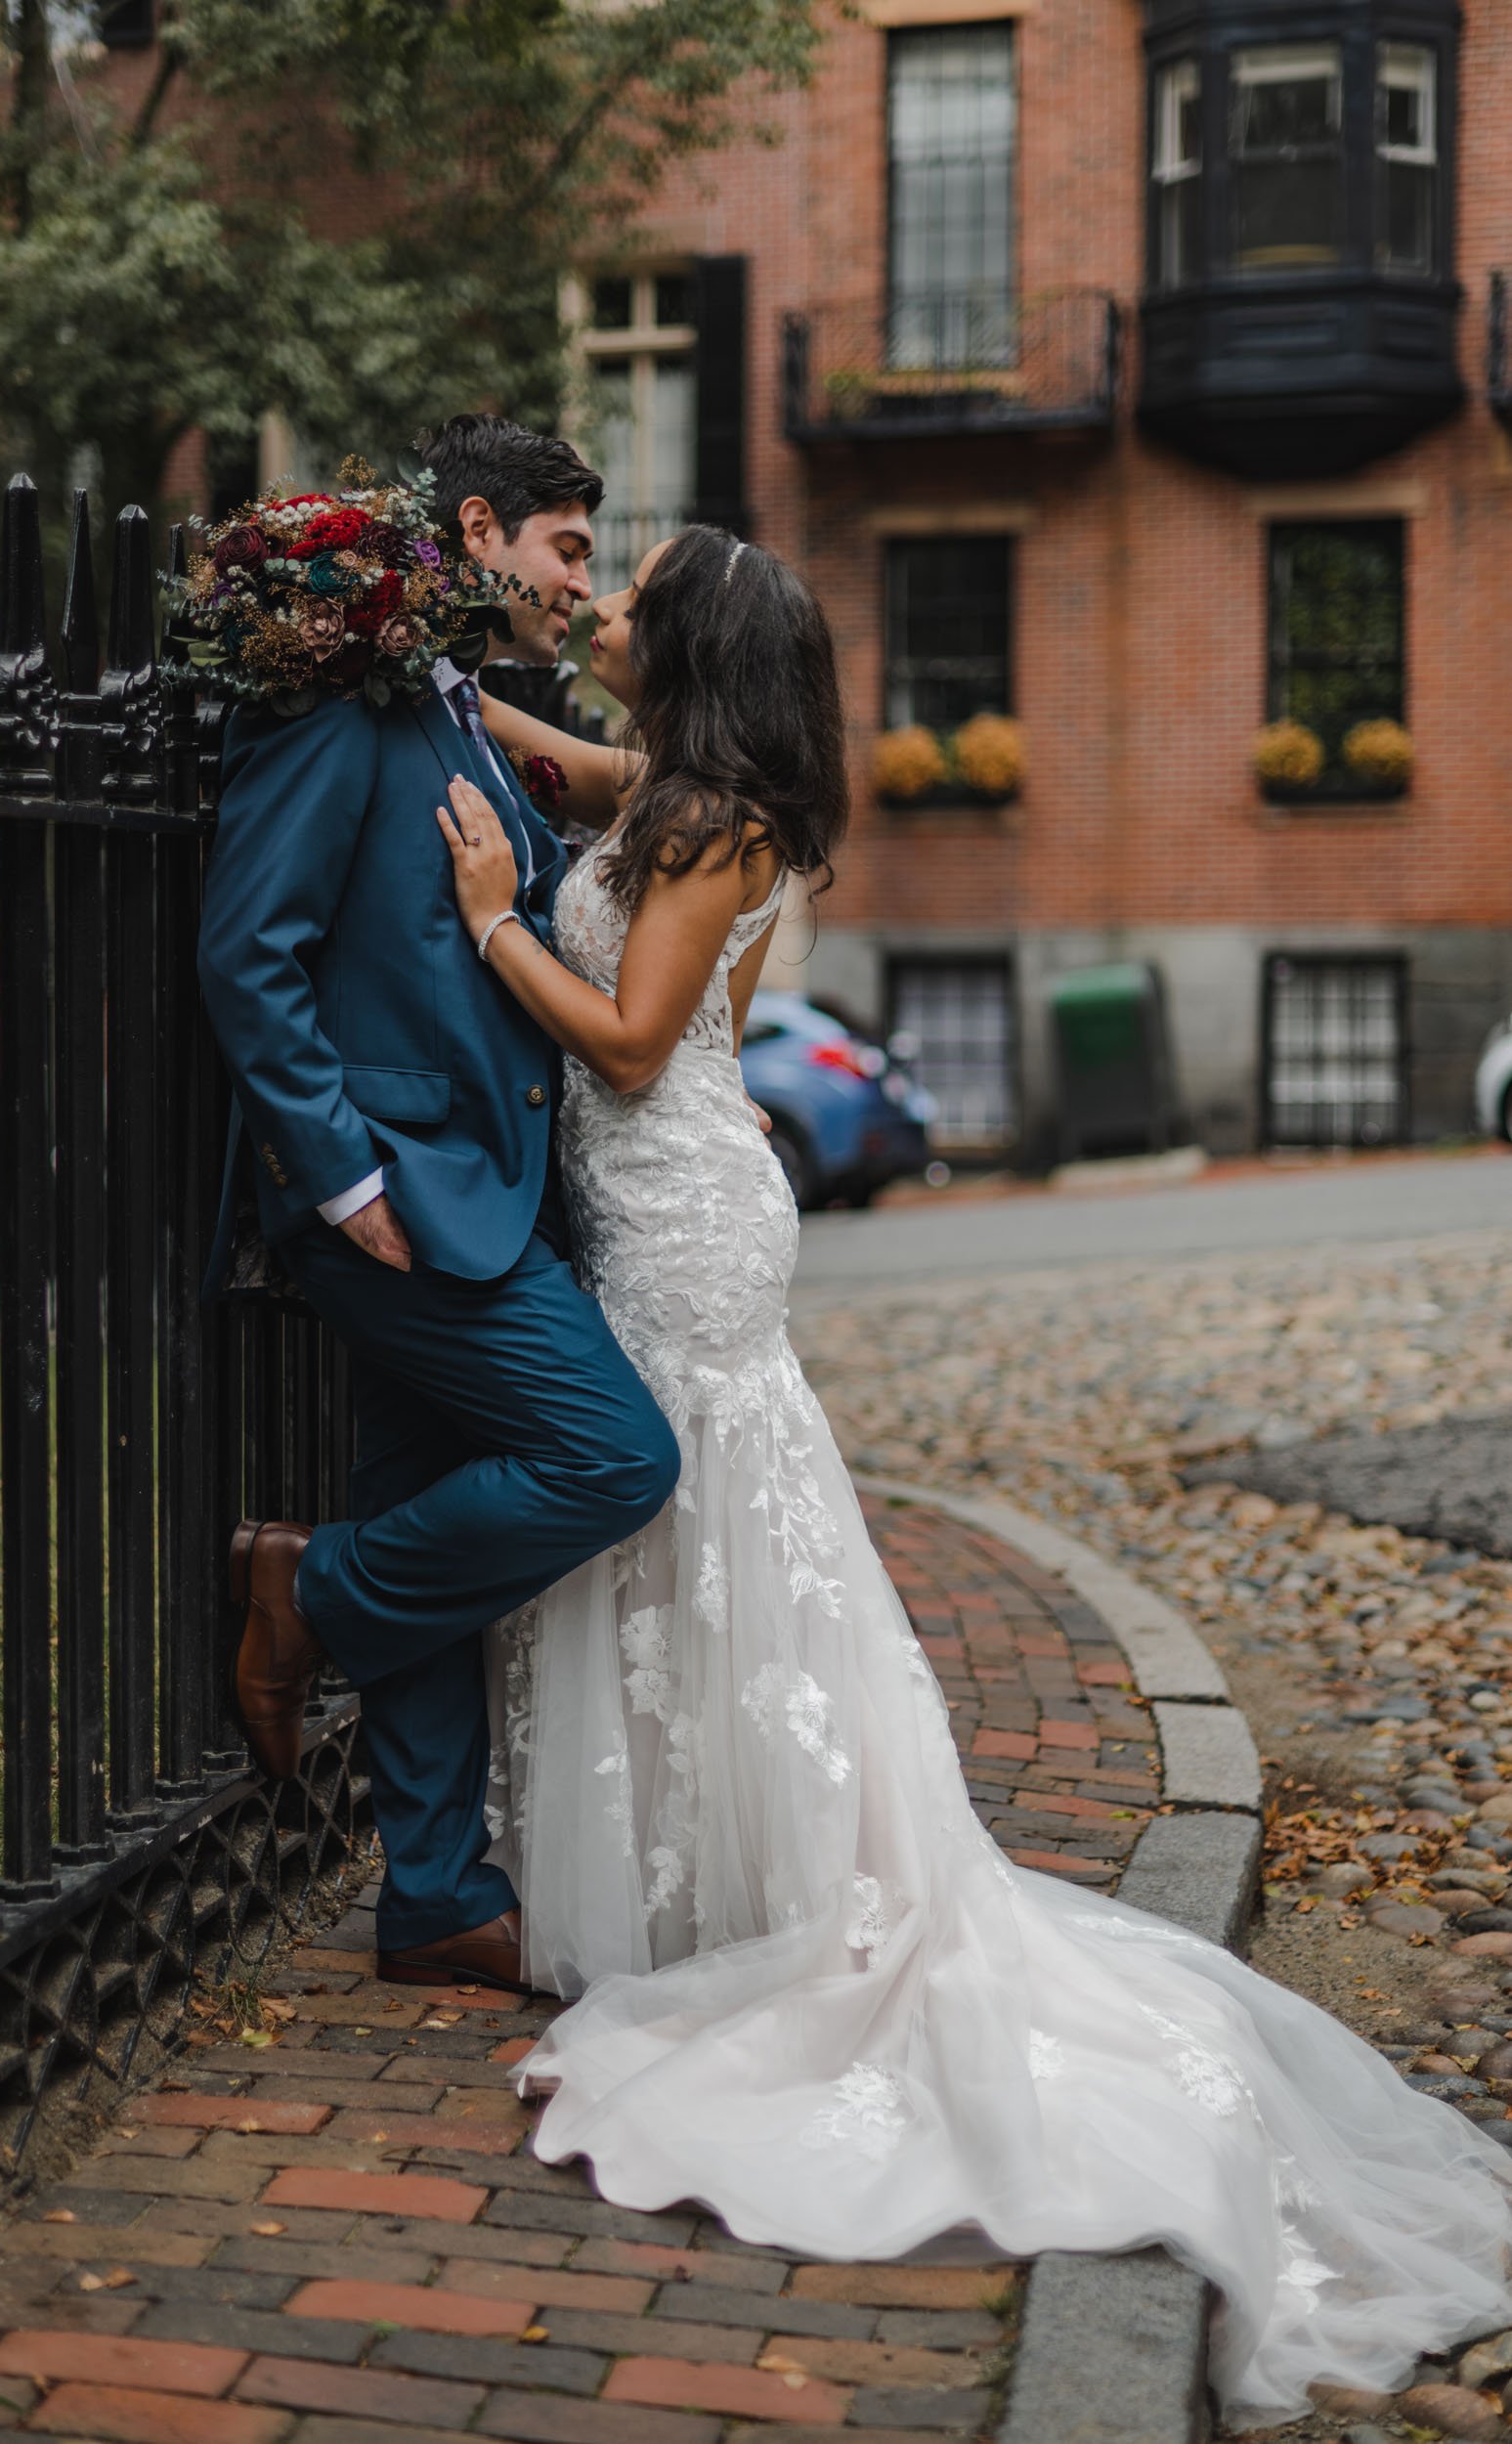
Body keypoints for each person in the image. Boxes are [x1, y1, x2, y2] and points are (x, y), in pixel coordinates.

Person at [432, 521, 1512, 2428]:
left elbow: (621, 1043)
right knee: (688, 1549)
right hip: (668, 1223)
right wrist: (452, 688)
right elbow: (568, 758)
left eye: (627, 599)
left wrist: (495, 921)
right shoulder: (678, 791)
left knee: (707, 1540)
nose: (598, 615)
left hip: (684, 1223)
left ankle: (746, 1908)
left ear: (685, 648)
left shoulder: (708, 834)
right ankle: (697, 1883)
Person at [195, 415, 679, 1995]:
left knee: (424, 1492)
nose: (576, 585)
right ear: (481, 531)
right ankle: (309, 1588)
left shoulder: (474, 714)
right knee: (613, 1455)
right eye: (566, 552)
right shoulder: (349, 705)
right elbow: (249, 951)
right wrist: (341, 1180)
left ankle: (435, 1896)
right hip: (398, 1205)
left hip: (493, 1186)